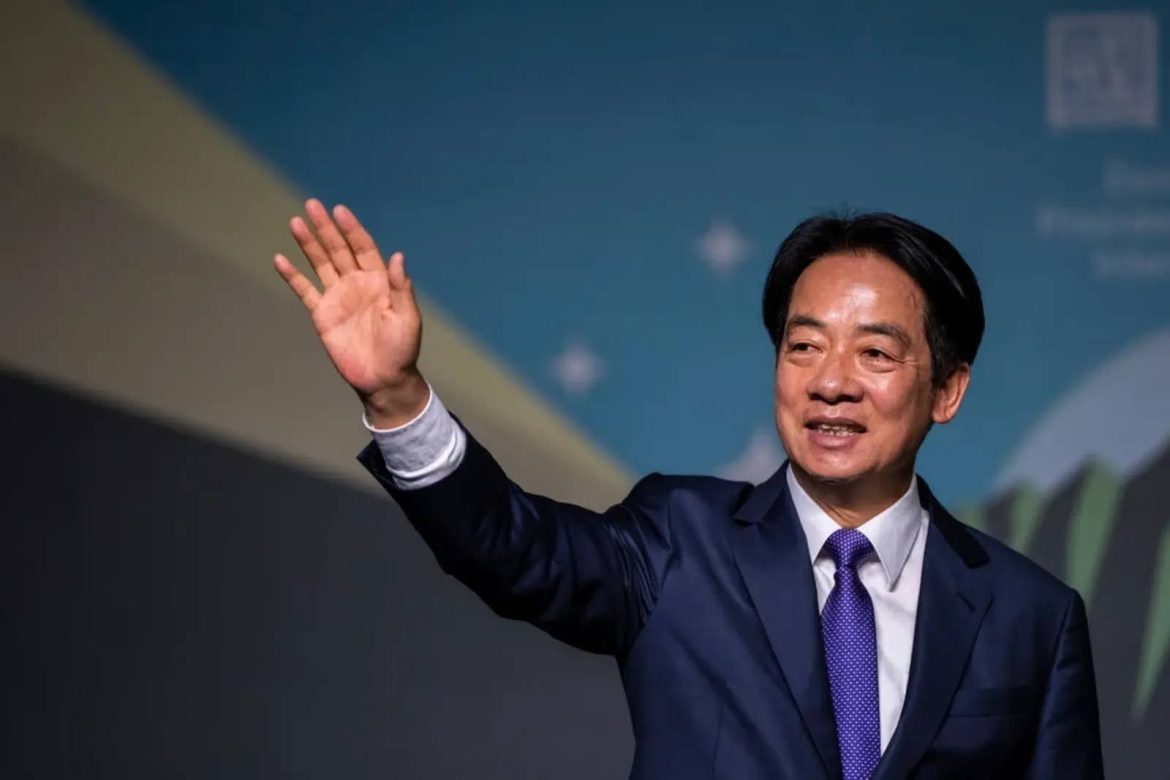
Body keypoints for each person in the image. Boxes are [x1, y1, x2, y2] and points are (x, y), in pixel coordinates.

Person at [273, 200, 1104, 779]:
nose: (831, 382)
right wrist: (397, 397)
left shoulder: (1033, 616)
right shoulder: (679, 538)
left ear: (947, 390)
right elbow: (513, 548)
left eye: (875, 354)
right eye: (804, 346)